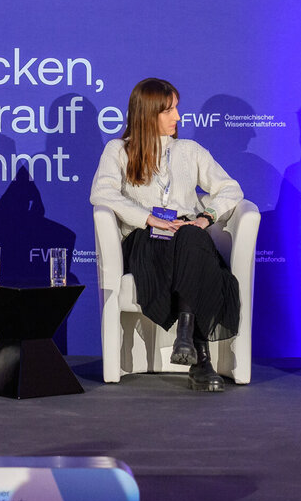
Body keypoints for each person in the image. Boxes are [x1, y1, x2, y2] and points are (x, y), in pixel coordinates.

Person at [90, 77, 243, 391]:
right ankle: (201, 359)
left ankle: (185, 334)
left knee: (192, 237)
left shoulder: (189, 150)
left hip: (187, 237)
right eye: (169, 110)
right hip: (146, 241)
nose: (178, 117)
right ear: (148, 114)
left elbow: (231, 189)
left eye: (177, 108)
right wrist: (149, 219)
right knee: (193, 248)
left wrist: (206, 216)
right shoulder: (118, 150)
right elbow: (102, 194)